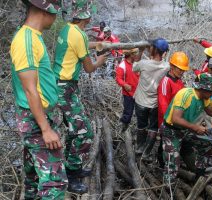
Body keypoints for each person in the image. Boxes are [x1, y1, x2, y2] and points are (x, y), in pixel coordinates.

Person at [10, 0, 68, 199]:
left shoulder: (34, 36)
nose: (56, 18)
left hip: (37, 116)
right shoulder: (26, 40)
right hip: (35, 120)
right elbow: (29, 89)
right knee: (55, 183)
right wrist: (46, 129)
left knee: (34, 178)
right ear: (46, 11)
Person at [53, 3, 106, 194]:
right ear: (87, 18)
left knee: (73, 129)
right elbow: (89, 68)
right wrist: (102, 58)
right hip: (65, 87)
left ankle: (71, 168)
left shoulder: (68, 29)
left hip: (60, 84)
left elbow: (79, 45)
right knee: (85, 133)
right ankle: (73, 177)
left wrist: (97, 45)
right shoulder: (80, 34)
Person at [161, 73, 212, 186]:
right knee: (173, 162)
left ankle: (199, 175)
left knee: (206, 144)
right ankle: (168, 186)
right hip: (171, 130)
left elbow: (210, 110)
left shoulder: (204, 97)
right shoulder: (185, 94)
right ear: (203, 88)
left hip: (186, 130)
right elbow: (175, 119)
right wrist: (195, 127)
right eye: (211, 91)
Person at [133, 38, 170, 161]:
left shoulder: (143, 64)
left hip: (141, 102)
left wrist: (140, 51)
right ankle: (147, 153)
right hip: (155, 104)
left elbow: (134, 67)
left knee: (141, 125)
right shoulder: (166, 67)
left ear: (153, 49)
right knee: (153, 128)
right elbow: (159, 62)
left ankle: (139, 148)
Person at [156, 52, 190, 167]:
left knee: (176, 143)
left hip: (177, 120)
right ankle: (162, 165)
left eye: (183, 70)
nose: (182, 72)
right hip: (167, 121)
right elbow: (163, 105)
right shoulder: (166, 82)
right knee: (164, 143)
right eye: (179, 69)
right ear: (172, 66)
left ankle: (174, 160)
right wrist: (171, 122)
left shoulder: (179, 81)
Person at [115, 48, 140, 132]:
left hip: (139, 92)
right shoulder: (122, 65)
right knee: (128, 113)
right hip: (128, 94)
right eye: (135, 54)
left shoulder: (137, 64)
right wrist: (124, 84)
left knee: (140, 112)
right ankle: (124, 128)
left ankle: (139, 129)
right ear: (131, 55)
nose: (137, 55)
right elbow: (118, 78)